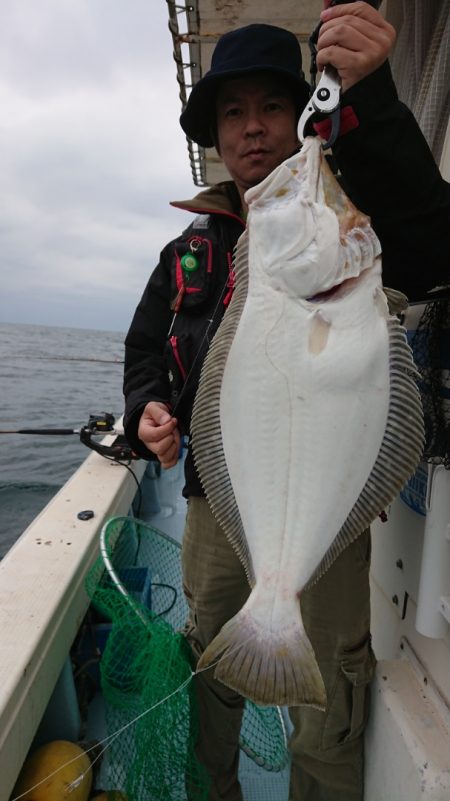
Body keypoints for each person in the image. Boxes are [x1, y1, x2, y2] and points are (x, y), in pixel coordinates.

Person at [123, 3, 450, 799]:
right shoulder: (188, 252)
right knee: (210, 664)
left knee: (329, 691)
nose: (253, 127)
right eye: (232, 112)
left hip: (326, 513)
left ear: (302, 114)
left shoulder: (355, 223)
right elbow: (145, 351)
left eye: (272, 105)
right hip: (215, 501)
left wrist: (371, 102)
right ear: (216, 134)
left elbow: (433, 242)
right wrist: (147, 409)